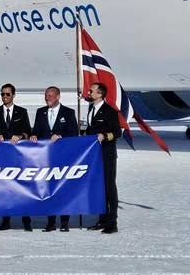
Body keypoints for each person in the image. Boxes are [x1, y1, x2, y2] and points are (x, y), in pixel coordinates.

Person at [30, 86, 80, 232]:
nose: (47, 98)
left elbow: (73, 134)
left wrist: (60, 137)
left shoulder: (69, 113)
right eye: (46, 96)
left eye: (51, 95)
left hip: (63, 157)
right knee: (48, 188)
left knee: (63, 189)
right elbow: (36, 131)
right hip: (45, 158)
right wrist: (34, 136)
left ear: (58, 96)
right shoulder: (40, 112)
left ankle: (64, 222)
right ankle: (50, 222)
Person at [0, 83, 31, 231]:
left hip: (19, 156)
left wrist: (20, 136)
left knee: (22, 187)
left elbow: (28, 131)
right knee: (5, 188)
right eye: (2, 94)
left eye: (7, 94)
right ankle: (5, 220)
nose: (5, 97)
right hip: (2, 155)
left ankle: (27, 220)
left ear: (13, 95)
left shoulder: (22, 111)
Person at [84, 82, 122, 234]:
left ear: (100, 94)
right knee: (99, 188)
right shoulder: (91, 108)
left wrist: (105, 136)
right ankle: (102, 219)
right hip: (94, 156)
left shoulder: (109, 111)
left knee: (109, 187)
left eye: (91, 91)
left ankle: (112, 223)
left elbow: (117, 132)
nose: (88, 92)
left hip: (106, 154)